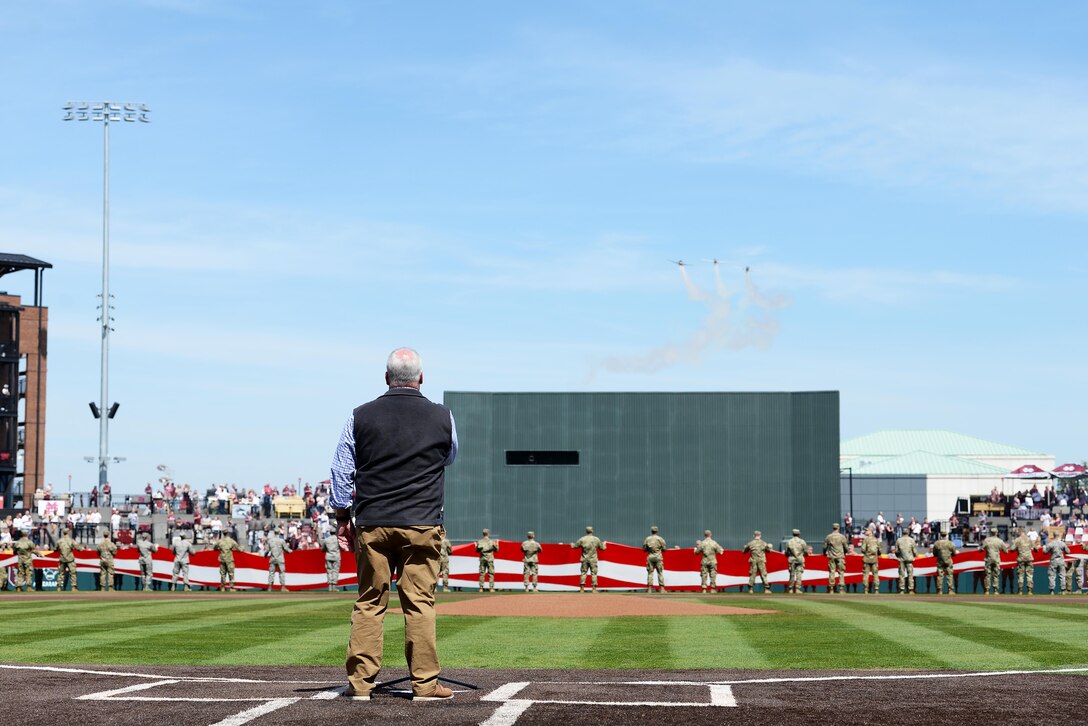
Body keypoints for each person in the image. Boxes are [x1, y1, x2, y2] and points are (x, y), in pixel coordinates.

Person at [328, 347, 457, 702]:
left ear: (386, 378)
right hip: (422, 522)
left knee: (370, 602)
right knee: (419, 603)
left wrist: (342, 518)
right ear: (421, 378)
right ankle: (426, 685)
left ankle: (360, 685)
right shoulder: (443, 416)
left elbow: (341, 471)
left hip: (374, 522)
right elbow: (449, 455)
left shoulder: (360, 416)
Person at [572, 526, 606, 593]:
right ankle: (594, 589)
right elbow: (602, 548)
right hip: (593, 559)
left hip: (584, 559)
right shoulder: (596, 539)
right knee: (594, 573)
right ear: (592, 531)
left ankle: (582, 589)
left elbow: (575, 546)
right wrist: (604, 544)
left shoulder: (582, 539)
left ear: (586, 531)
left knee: (583, 573)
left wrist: (571, 544)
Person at [981, 530, 1008, 595]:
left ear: (990, 533)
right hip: (996, 559)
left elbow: (981, 549)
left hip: (988, 559)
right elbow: (1006, 551)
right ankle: (996, 590)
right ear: (996, 533)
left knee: (987, 575)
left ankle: (987, 590)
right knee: (996, 575)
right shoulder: (1000, 541)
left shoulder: (986, 540)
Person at [823, 523, 848, 594]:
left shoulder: (829, 537)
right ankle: (841, 589)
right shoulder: (842, 537)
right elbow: (846, 547)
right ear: (838, 528)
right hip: (840, 556)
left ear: (833, 528)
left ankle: (831, 588)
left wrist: (825, 553)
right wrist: (845, 553)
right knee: (841, 572)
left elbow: (824, 547)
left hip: (831, 556)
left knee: (832, 571)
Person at [931, 531, 958, 595]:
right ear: (946, 535)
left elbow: (934, 553)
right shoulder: (950, 543)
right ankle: (950, 590)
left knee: (940, 576)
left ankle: (939, 590)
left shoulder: (937, 543)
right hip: (948, 561)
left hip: (940, 561)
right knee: (950, 575)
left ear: (940, 535)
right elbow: (954, 553)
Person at [1011, 528, 1036, 595]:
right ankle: (1029, 591)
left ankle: (1020, 590)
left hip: (1021, 559)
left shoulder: (1017, 540)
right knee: (1029, 575)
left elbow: (1012, 549)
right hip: (1029, 558)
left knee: (1020, 575)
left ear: (1019, 532)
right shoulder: (1029, 539)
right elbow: (1036, 549)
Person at [55, 527, 81, 592]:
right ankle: (73, 587)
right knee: (73, 573)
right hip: (70, 559)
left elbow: (55, 549)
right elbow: (78, 548)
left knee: (61, 573)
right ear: (68, 532)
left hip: (62, 559)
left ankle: (59, 587)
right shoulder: (71, 541)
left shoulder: (59, 541)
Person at [266, 527, 291, 592]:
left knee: (271, 573)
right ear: (279, 533)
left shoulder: (270, 541)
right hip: (280, 559)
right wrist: (291, 551)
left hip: (273, 559)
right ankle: (283, 587)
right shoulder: (281, 541)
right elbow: (286, 549)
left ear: (274, 533)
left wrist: (265, 556)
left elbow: (267, 551)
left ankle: (269, 587)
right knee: (282, 573)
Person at [643, 525, 667, 593]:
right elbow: (664, 549)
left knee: (650, 573)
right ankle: (662, 588)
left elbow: (644, 549)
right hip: (658, 557)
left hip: (650, 557)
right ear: (657, 531)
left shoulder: (647, 539)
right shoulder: (660, 539)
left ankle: (649, 589)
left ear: (651, 531)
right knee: (660, 572)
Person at [784, 529, 808, 594]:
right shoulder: (802, 541)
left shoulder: (789, 542)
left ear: (792, 534)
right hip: (800, 559)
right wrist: (803, 555)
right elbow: (806, 551)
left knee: (791, 574)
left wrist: (790, 555)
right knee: (799, 574)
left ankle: (791, 589)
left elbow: (786, 552)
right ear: (799, 534)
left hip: (791, 559)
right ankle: (797, 589)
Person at [475, 528, 499, 593]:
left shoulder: (479, 542)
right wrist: (497, 545)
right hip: (490, 559)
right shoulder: (492, 541)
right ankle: (491, 588)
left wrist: (476, 546)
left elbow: (477, 550)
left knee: (482, 573)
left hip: (482, 559)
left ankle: (481, 588)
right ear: (488, 533)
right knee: (491, 573)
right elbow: (497, 550)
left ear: (483, 534)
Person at [860, 527, 882, 594]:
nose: (865, 532)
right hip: (874, 560)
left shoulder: (865, 540)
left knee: (866, 575)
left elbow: (863, 550)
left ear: (870, 531)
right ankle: (876, 589)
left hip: (866, 559)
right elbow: (880, 551)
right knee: (875, 575)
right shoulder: (876, 540)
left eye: (867, 530)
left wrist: (867, 553)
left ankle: (866, 590)